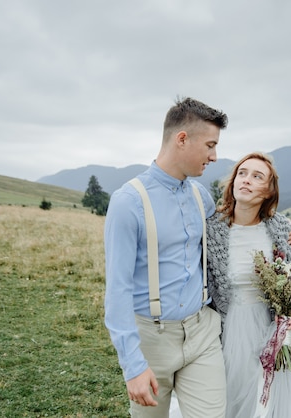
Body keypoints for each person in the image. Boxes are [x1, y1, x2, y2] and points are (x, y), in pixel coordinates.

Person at [104, 97, 229, 418]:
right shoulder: (127, 202)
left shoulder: (202, 195)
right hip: (151, 340)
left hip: (202, 333)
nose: (214, 156)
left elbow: (227, 240)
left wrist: (277, 230)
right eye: (210, 145)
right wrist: (132, 366)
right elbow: (117, 290)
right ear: (182, 139)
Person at [206, 152, 291, 417]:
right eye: (242, 173)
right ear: (233, 182)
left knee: (275, 402)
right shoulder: (211, 227)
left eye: (257, 177)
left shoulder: (279, 227)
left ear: (269, 191)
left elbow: (289, 278)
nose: (246, 180)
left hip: (271, 327)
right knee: (232, 398)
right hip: (228, 327)